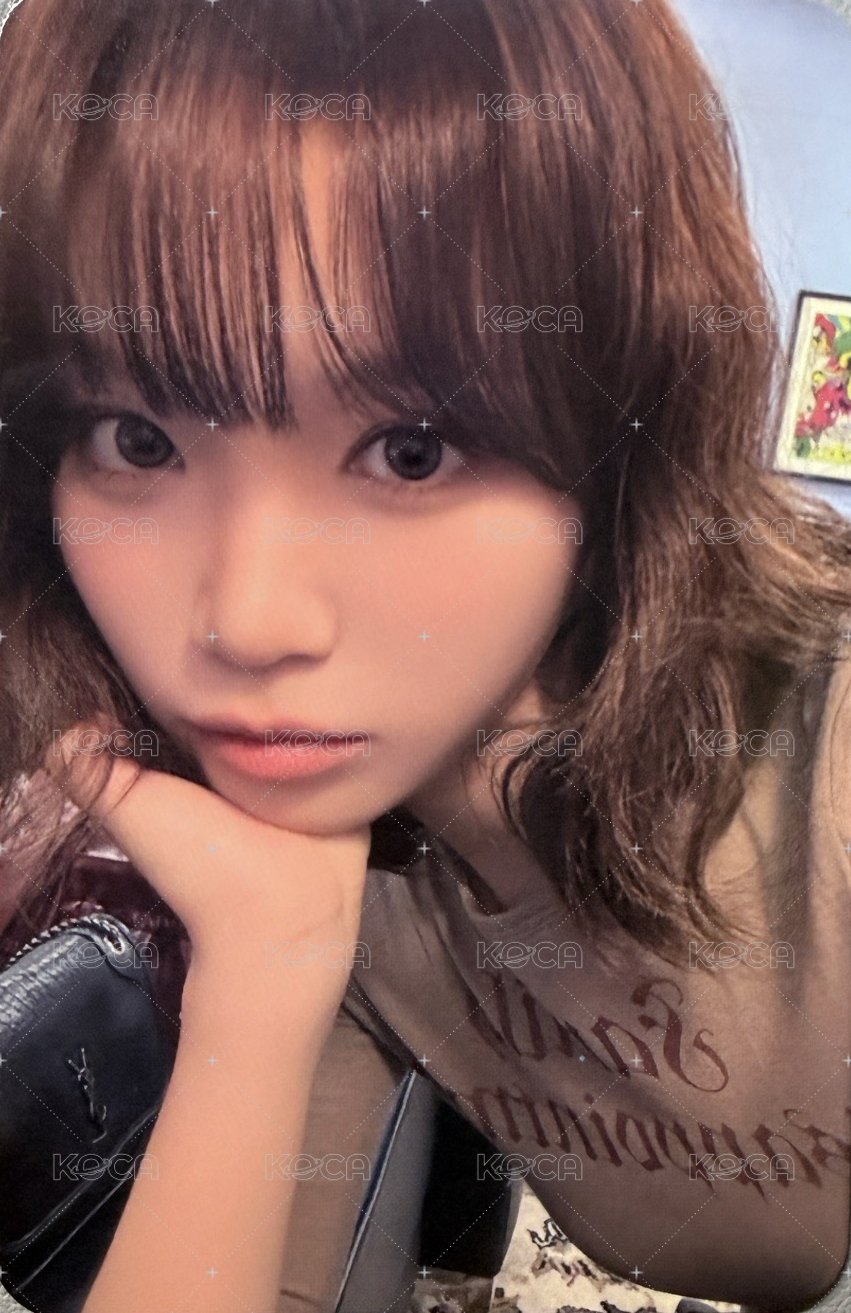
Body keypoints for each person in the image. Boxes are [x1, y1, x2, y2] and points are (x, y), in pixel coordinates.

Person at [0, 1, 849, 1310]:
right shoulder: (330, 856)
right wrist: (260, 987)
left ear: (618, 445)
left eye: (411, 449)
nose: (247, 622)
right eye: (137, 437)